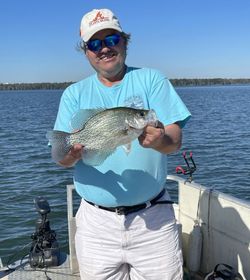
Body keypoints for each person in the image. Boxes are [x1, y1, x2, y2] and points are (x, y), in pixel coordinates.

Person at [52, 8, 191, 280]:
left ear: (125, 41)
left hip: (154, 221)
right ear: (86, 51)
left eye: (111, 40)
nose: (104, 48)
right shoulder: (73, 94)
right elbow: (61, 158)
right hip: (96, 225)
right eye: (95, 43)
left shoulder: (152, 80)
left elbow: (174, 141)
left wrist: (160, 139)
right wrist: (73, 153)